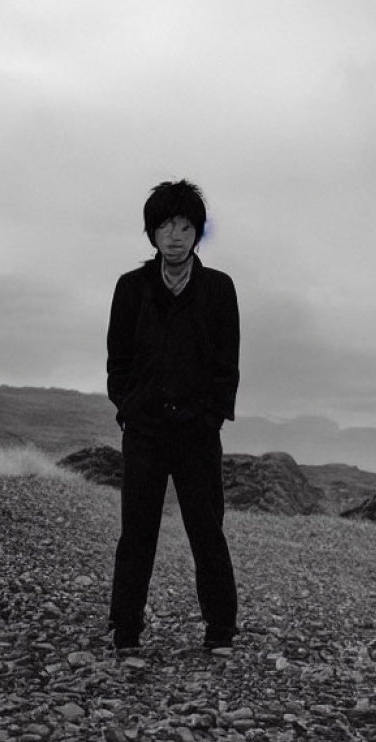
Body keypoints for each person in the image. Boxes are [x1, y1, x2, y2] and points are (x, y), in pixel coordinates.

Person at [106, 179, 240, 652]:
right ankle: (126, 634)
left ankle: (221, 632)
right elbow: (117, 362)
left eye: (185, 226)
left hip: (197, 435)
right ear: (152, 233)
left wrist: (210, 418)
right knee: (136, 534)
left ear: (198, 232)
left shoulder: (219, 289)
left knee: (207, 533)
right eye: (165, 225)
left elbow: (227, 366)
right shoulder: (131, 288)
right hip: (144, 432)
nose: (175, 235)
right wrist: (128, 409)